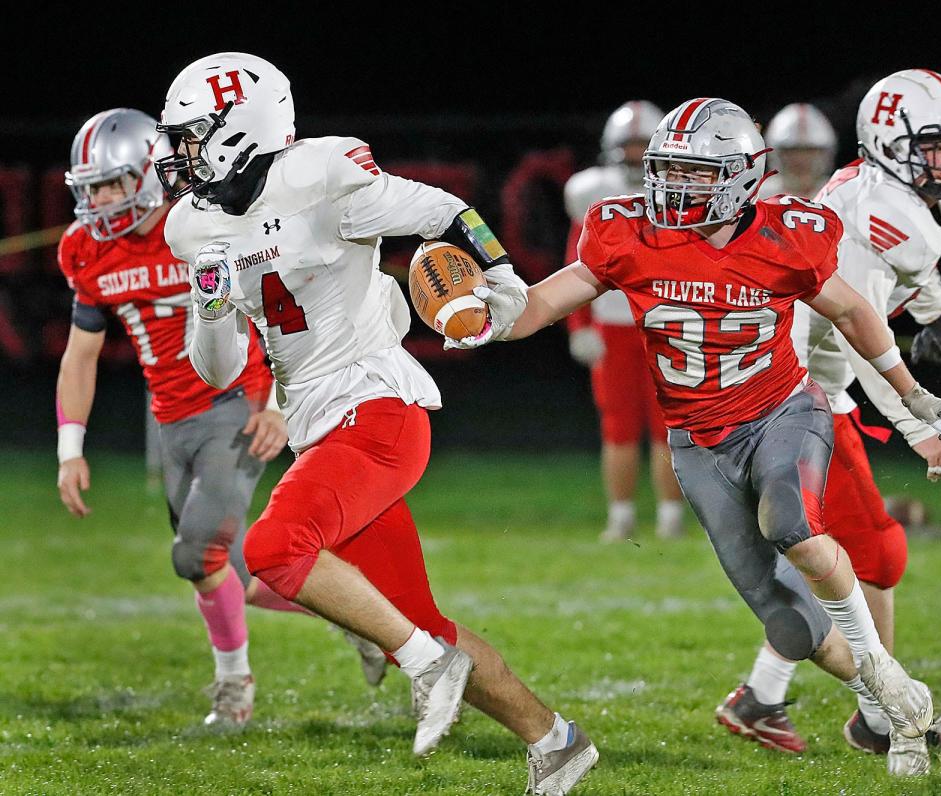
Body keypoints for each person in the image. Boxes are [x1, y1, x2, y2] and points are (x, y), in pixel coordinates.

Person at [448, 97, 941, 778]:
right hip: (696, 440)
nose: (672, 187)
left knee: (794, 526)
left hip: (783, 410)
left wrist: (912, 391)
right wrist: (488, 317)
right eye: (668, 171)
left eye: (694, 173)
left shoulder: (789, 233)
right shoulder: (625, 232)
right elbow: (544, 302)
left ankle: (888, 681)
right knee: (791, 627)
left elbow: (851, 308)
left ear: (744, 176)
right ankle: (887, 694)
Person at [157, 52, 597, 794]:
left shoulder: (321, 176)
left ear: (240, 128)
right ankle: (555, 742)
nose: (181, 154)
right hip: (320, 425)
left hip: (377, 407)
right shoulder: (191, 227)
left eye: (193, 134)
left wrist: (505, 280)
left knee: (273, 547)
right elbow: (220, 368)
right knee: (417, 620)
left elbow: (444, 212)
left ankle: (430, 664)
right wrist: (208, 304)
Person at [55, 108, 385, 730]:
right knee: (240, 577)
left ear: (151, 174)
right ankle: (365, 620)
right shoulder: (87, 250)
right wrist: (70, 447)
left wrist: (278, 406)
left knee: (196, 556)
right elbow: (81, 354)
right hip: (171, 419)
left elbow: (291, 307)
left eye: (111, 183)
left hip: (238, 407)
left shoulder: (205, 223)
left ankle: (233, 688)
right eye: (90, 186)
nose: (98, 200)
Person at [716, 70, 941, 773]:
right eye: (936, 146)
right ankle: (864, 713)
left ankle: (796, 700)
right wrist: (919, 426)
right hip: (786, 391)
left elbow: (921, 291)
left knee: (861, 552)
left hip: (810, 388)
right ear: (890, 142)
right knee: (851, 555)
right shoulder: (879, 206)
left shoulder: (899, 195)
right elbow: (858, 334)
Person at [563, 100, 686, 541]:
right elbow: (576, 263)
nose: (635, 155)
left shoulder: (685, 188)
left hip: (668, 322)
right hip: (613, 324)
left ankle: (671, 516)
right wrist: (579, 326)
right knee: (618, 425)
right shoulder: (593, 190)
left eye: (642, 145)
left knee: (669, 425)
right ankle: (621, 515)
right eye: (628, 145)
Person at [759, 103, 837, 200]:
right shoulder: (757, 197)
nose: (801, 160)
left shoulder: (839, 194)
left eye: (809, 151)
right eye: (792, 151)